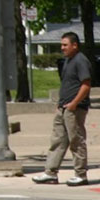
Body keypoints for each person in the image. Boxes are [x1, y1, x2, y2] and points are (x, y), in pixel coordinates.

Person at [33, 32, 92, 186]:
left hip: (75, 108)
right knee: (57, 140)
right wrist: (61, 104)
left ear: (75, 45)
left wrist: (74, 103)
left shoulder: (81, 61)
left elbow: (86, 85)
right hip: (63, 107)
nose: (62, 48)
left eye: (65, 45)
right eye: (62, 45)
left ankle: (81, 174)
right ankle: (50, 173)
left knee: (76, 140)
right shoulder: (67, 61)